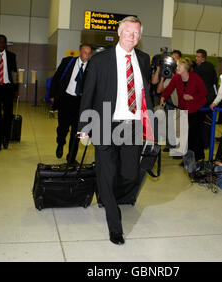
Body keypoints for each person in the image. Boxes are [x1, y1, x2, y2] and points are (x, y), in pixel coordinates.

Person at [77, 16, 155, 245]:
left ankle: (105, 189)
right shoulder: (101, 60)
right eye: (129, 31)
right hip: (103, 123)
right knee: (107, 173)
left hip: (131, 125)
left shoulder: (142, 59)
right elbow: (88, 94)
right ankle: (115, 227)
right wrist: (84, 127)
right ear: (120, 32)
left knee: (130, 174)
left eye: (137, 33)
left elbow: (144, 93)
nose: (133, 36)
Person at [50, 44, 92, 165]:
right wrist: (52, 95)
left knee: (77, 131)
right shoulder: (67, 62)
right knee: (62, 128)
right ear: (80, 52)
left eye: (89, 53)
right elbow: (56, 77)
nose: (87, 56)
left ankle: (71, 157)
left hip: (80, 102)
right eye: (85, 52)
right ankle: (60, 143)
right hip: (65, 99)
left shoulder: (92, 66)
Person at [160, 58, 207, 162]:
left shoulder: (195, 78)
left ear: (185, 68)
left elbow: (203, 92)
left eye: (179, 66)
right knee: (185, 134)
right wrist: (163, 97)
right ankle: (190, 157)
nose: (176, 68)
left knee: (194, 134)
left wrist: (192, 97)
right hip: (184, 109)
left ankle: (194, 157)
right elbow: (168, 89)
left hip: (196, 109)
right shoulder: (177, 78)